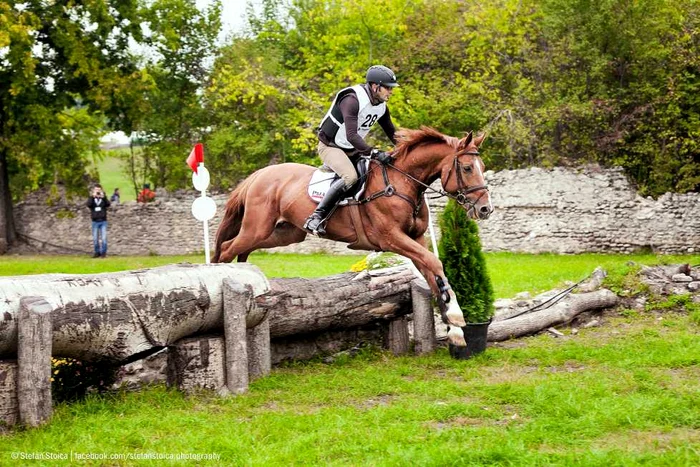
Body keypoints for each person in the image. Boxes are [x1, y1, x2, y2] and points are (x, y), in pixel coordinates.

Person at [304, 65, 399, 236]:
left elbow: (392, 132)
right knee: (351, 177)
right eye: (388, 87)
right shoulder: (352, 99)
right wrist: (374, 152)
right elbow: (351, 135)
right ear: (375, 86)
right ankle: (316, 217)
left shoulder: (381, 106)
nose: (391, 92)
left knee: (374, 174)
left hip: (352, 149)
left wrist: (406, 148)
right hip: (331, 146)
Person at [86, 184, 111, 258]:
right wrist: (92, 197)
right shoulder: (92, 199)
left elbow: (108, 204)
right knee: (95, 238)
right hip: (95, 221)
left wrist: (104, 197)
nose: (97, 191)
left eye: (99, 190)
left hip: (103, 221)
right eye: (96, 190)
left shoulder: (103, 198)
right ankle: (97, 252)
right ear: (94, 190)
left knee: (103, 238)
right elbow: (88, 204)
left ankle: (103, 253)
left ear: (101, 190)